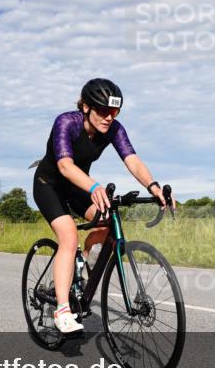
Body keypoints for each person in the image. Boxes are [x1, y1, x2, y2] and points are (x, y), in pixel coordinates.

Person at [32, 79, 173, 334]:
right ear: (86, 107)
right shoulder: (66, 122)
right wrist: (95, 187)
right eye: (103, 111)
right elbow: (65, 166)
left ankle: (84, 260)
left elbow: (132, 160)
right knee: (68, 235)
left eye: (115, 112)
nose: (109, 118)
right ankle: (62, 310)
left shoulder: (113, 129)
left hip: (77, 187)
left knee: (109, 223)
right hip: (49, 185)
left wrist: (153, 186)